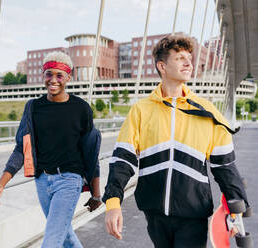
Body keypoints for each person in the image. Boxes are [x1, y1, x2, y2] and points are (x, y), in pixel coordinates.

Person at [103, 35, 249, 248]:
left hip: (193, 212)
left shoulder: (206, 111)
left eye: (189, 58)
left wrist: (238, 206)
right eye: (180, 58)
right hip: (153, 211)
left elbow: (224, 165)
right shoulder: (141, 110)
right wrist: (113, 203)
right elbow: (123, 160)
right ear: (162, 66)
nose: (189, 63)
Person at [0, 51, 102, 248]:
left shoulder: (81, 109)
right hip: (42, 181)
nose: (53, 80)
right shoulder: (33, 108)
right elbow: (20, 149)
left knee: (51, 241)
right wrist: (0, 185)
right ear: (43, 75)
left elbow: (91, 152)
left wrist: (96, 193)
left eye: (59, 75)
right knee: (64, 235)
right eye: (49, 74)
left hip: (69, 181)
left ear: (68, 77)